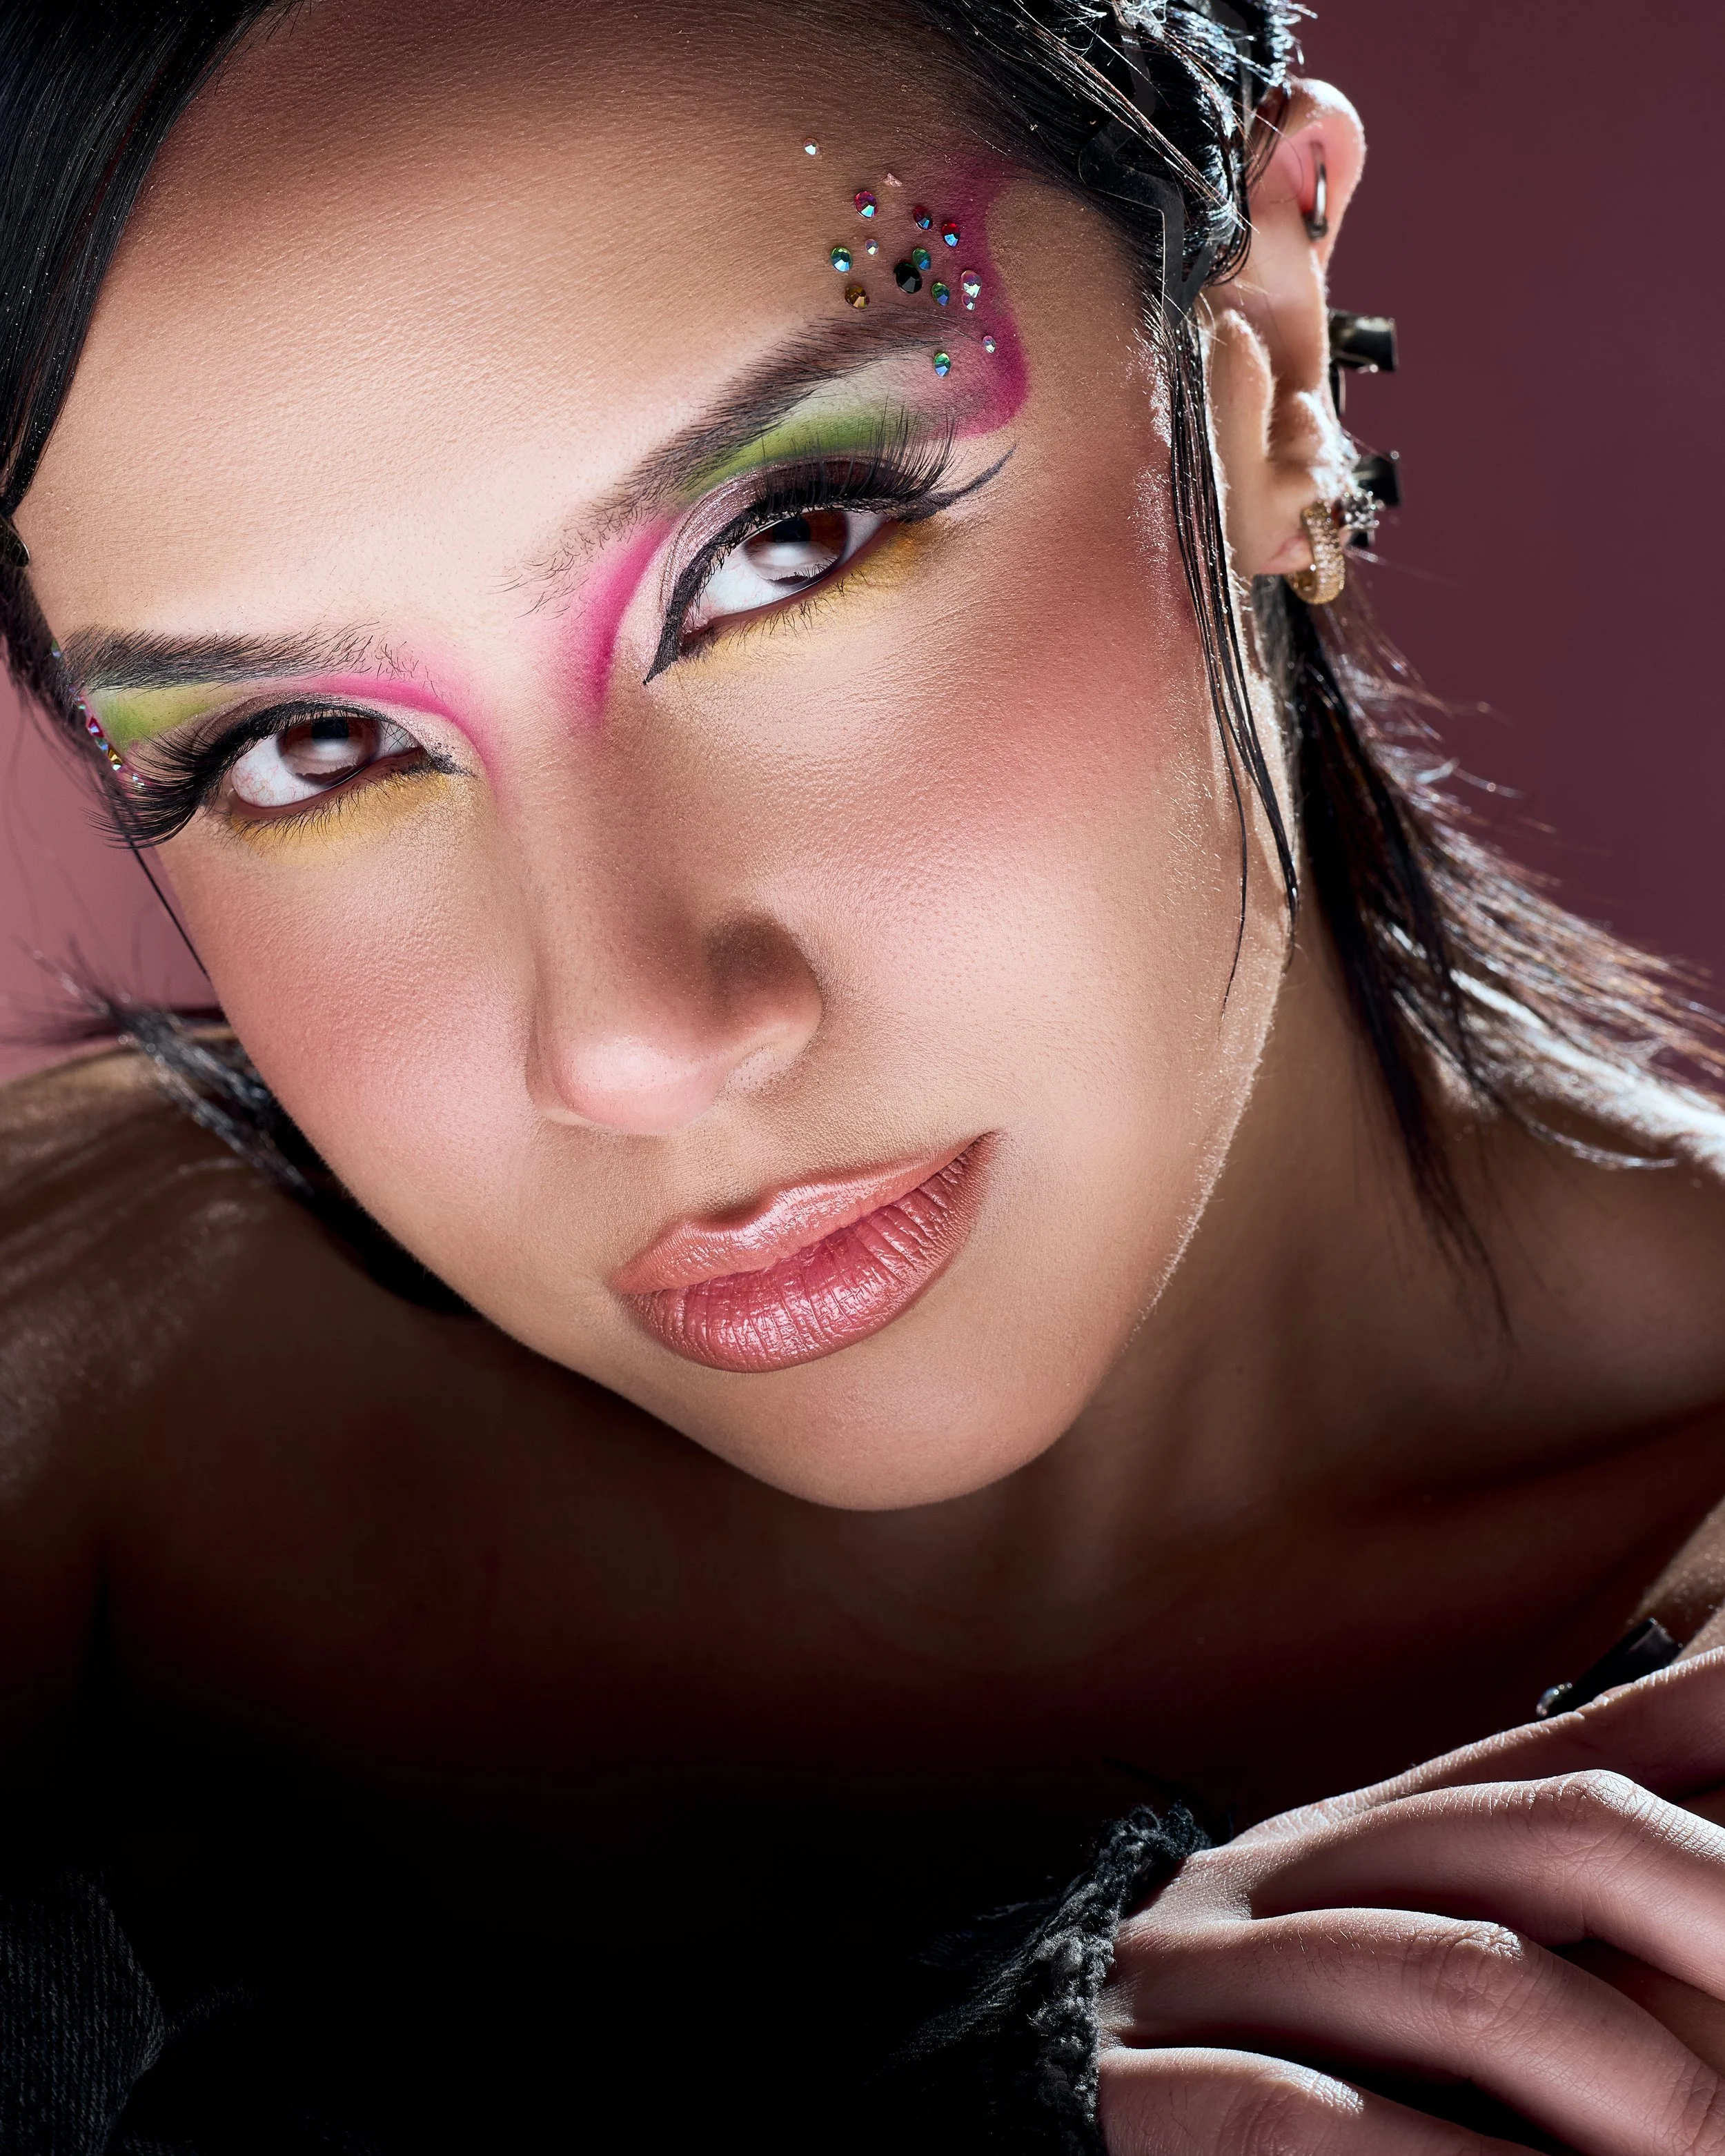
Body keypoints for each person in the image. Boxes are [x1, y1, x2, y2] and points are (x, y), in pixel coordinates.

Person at [6, 0, 1725, 2149]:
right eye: (310, 749)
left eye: (787, 546)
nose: (634, 1033)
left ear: (1267, 366)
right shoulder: (91, 1337)